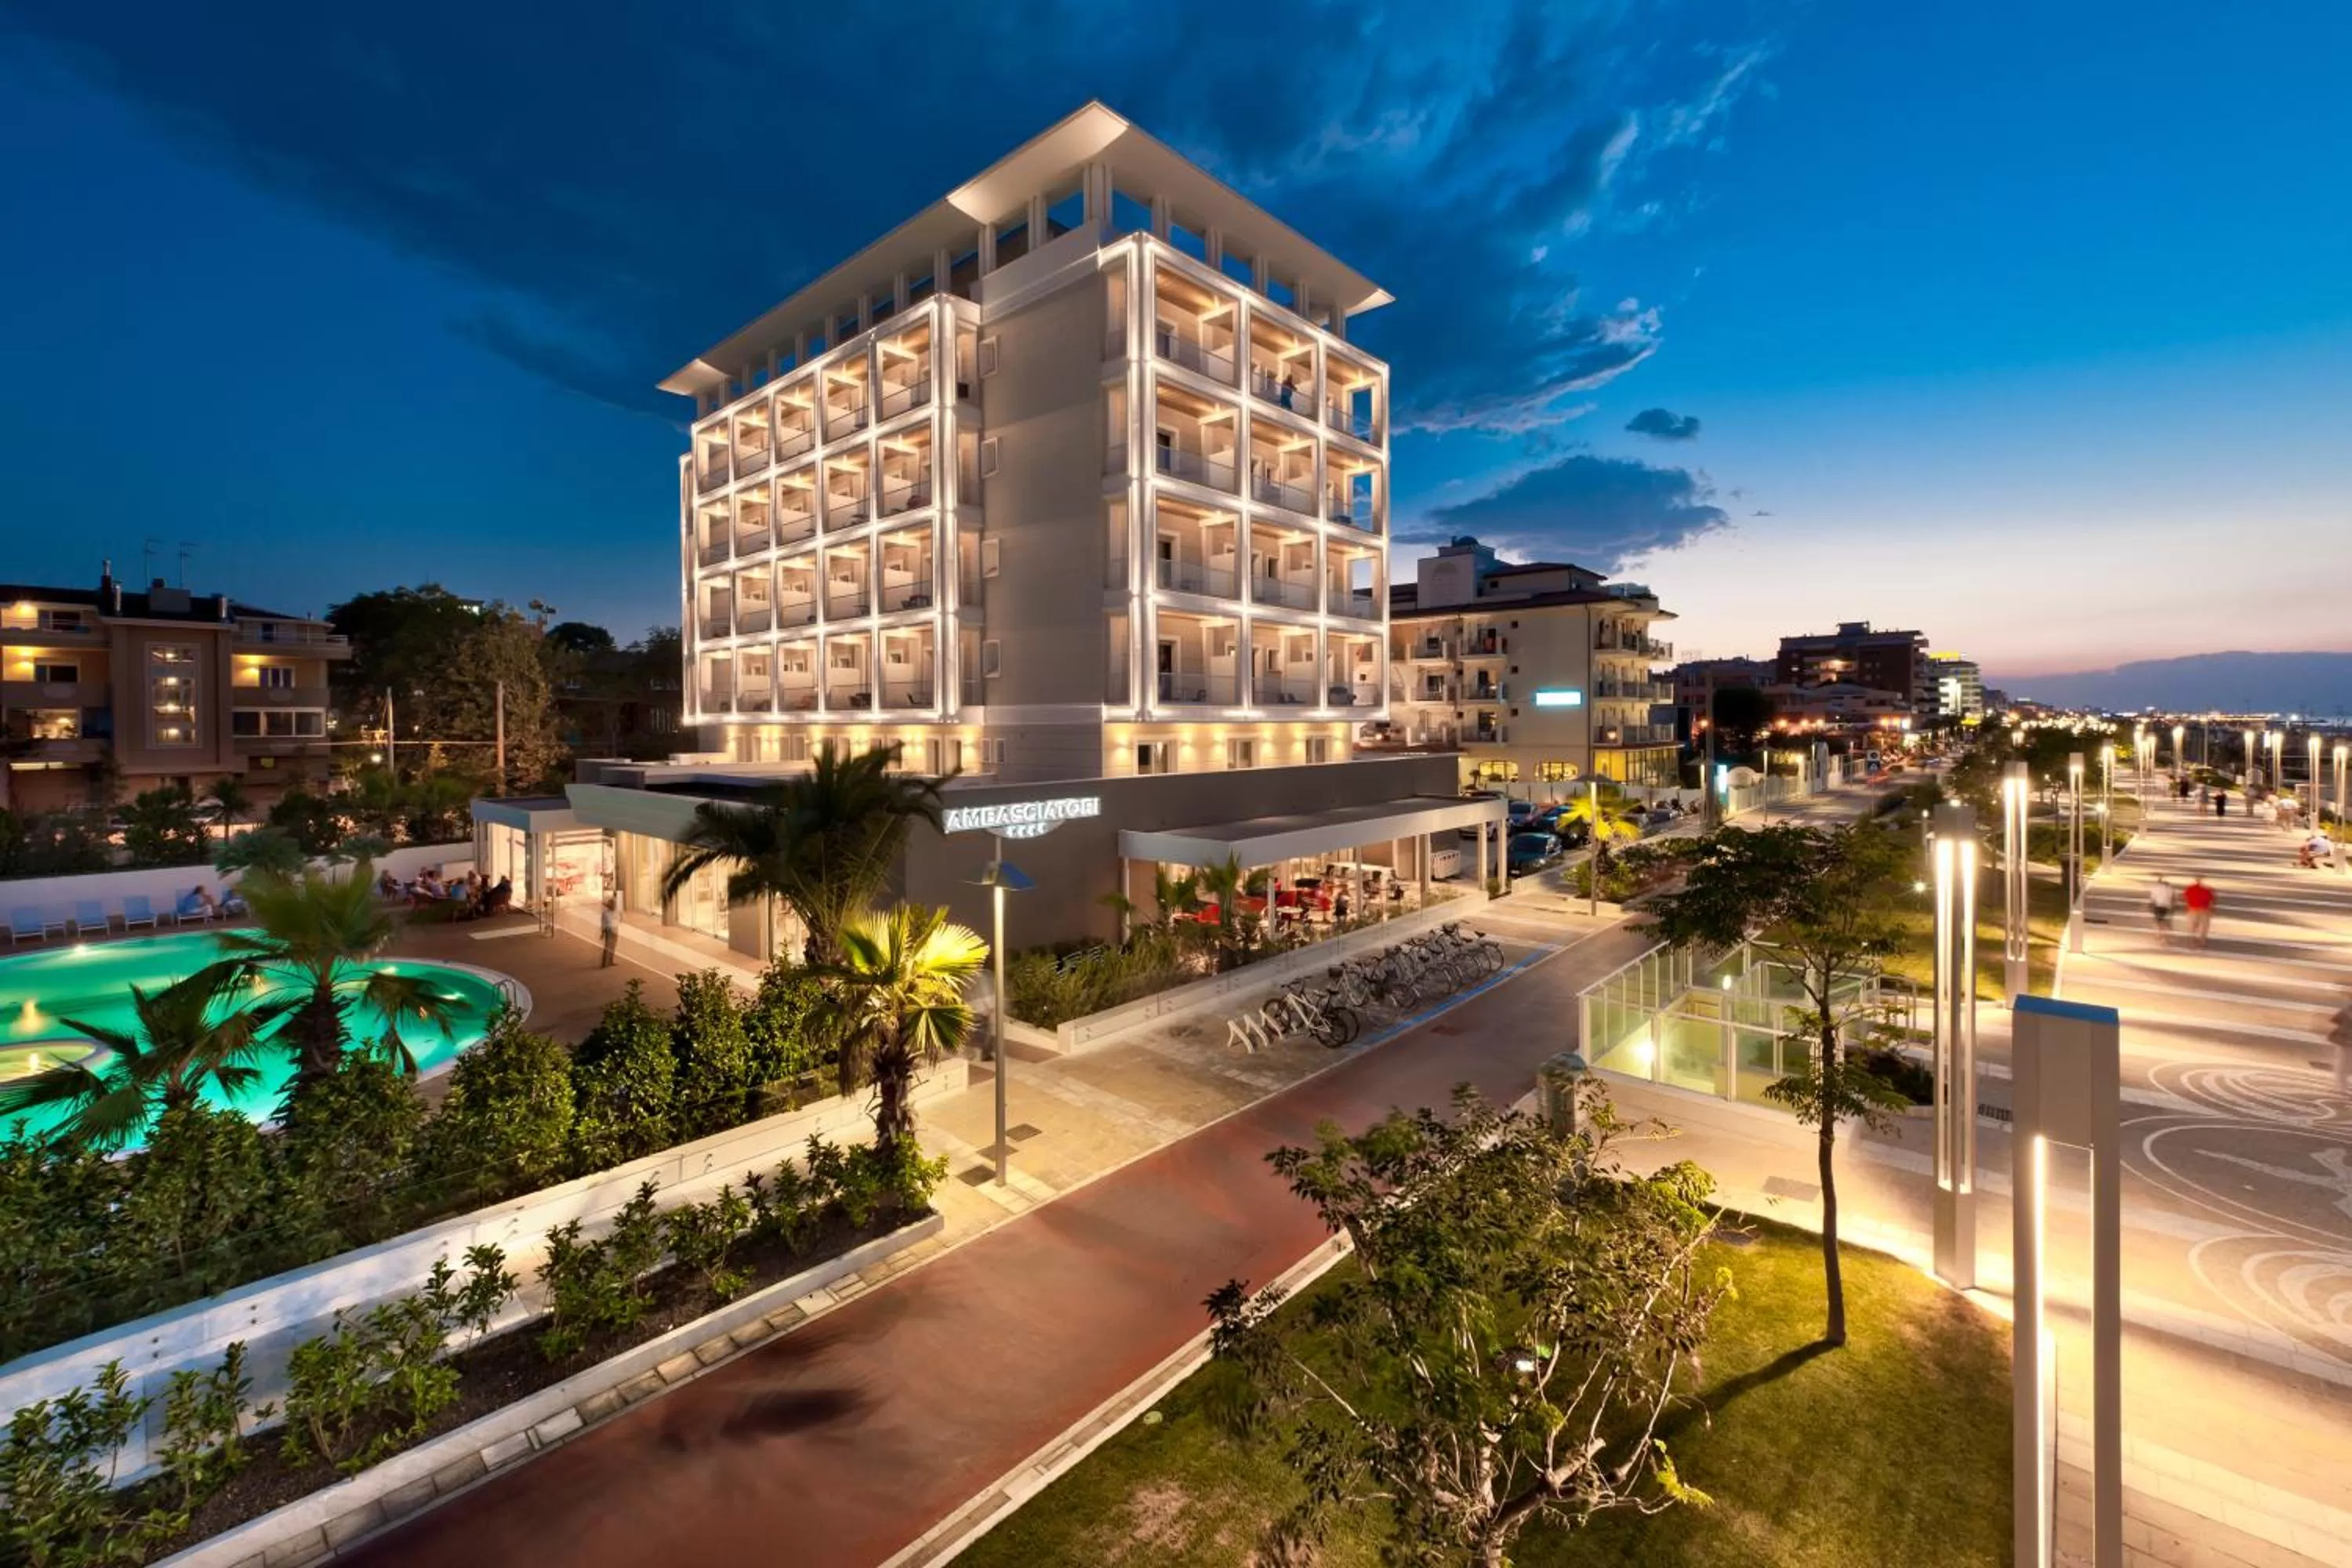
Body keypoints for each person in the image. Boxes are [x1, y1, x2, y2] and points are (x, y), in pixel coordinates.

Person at [2183, 876, 2216, 948]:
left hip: (2192, 910)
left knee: (2192, 927)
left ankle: (2192, 942)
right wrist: (2212, 910)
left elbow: (2185, 898)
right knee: (2203, 928)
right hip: (2204, 910)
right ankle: (2202, 942)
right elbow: (2212, 901)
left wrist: (2188, 907)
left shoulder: (2189, 888)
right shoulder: (2208, 889)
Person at [2148, 875, 2176, 941]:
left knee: (2158, 922)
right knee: (2167, 922)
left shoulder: (2155, 888)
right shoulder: (2170, 888)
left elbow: (2152, 899)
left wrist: (2150, 907)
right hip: (2167, 907)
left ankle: (2160, 936)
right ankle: (2167, 936)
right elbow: (2173, 899)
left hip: (2158, 907)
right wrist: (2172, 908)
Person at [599, 894, 620, 968]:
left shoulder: (616, 911)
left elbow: (619, 919)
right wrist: (602, 933)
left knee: (613, 947)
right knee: (608, 947)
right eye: (613, 905)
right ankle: (605, 963)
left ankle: (611, 961)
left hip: (615, 930)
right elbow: (603, 923)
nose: (614, 906)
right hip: (609, 930)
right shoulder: (605, 913)